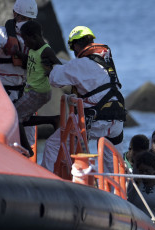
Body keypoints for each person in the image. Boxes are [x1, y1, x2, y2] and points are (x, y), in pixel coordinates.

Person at [41, 26, 126, 173]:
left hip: (94, 120)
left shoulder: (80, 64)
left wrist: (50, 66)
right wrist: (59, 63)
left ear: (75, 45)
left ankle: (47, 181)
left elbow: (56, 79)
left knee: (52, 146)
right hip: (116, 118)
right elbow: (74, 69)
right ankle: (115, 193)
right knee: (112, 164)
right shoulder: (104, 60)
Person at [14, 21, 61, 155]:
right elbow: (28, 62)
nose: (25, 43)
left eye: (26, 40)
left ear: (34, 37)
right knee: (23, 118)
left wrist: (50, 70)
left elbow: (59, 66)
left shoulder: (46, 51)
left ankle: (28, 150)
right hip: (33, 91)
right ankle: (53, 119)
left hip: (39, 92)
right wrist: (16, 52)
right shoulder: (33, 49)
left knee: (14, 116)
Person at [0, 0, 37, 103]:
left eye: (29, 19)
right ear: (15, 14)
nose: (26, 23)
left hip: (21, 94)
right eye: (23, 18)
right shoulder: (0, 34)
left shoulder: (34, 41)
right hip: (1, 92)